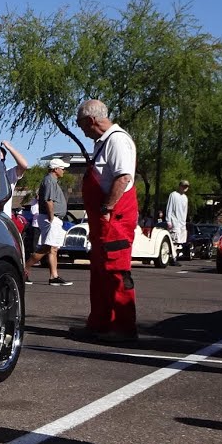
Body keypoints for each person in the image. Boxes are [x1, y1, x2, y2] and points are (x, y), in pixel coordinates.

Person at [70, 99, 139, 343]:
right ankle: (99, 324)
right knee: (99, 274)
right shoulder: (103, 143)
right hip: (103, 222)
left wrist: (108, 208)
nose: (82, 130)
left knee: (116, 273)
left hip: (115, 221)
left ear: (91, 120)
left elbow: (123, 178)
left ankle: (124, 329)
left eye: (81, 125)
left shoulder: (117, 140)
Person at [23, 158, 73, 286]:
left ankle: (54, 276)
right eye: (62, 168)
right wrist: (51, 217)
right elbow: (48, 201)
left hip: (54, 218)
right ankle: (24, 269)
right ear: (55, 169)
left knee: (53, 248)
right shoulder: (50, 181)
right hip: (51, 218)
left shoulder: (52, 181)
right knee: (47, 247)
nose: (63, 171)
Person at [165, 179, 190, 265]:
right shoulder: (173, 195)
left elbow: (185, 211)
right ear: (180, 186)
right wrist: (168, 220)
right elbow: (169, 207)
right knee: (174, 240)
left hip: (182, 223)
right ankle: (172, 258)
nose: (184, 188)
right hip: (174, 221)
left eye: (186, 187)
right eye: (183, 186)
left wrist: (184, 222)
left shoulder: (185, 198)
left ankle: (175, 257)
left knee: (180, 242)